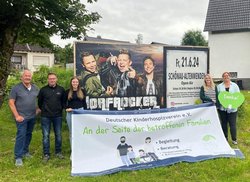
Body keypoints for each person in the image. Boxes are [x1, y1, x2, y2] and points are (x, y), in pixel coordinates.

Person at [9, 69, 39, 166]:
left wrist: (38, 109)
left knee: (28, 134)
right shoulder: (16, 88)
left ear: (31, 77)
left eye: (29, 76)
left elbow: (41, 99)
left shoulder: (35, 88)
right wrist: (16, 116)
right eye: (25, 75)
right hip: (21, 117)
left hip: (32, 116)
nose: (27, 77)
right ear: (22, 77)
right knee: (21, 135)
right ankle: (18, 157)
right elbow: (11, 102)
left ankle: (25, 152)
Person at [38, 72, 66, 162]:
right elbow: (39, 103)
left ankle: (58, 152)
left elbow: (63, 102)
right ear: (48, 80)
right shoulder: (43, 90)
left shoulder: (61, 90)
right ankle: (46, 154)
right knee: (46, 135)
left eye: (53, 78)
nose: (52, 80)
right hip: (45, 116)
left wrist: (60, 109)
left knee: (58, 135)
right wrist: (44, 110)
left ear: (56, 79)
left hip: (57, 116)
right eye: (50, 79)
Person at [65, 76, 87, 158]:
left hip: (80, 113)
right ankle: (73, 152)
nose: (75, 83)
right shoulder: (67, 92)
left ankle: (81, 150)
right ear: (71, 83)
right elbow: (63, 103)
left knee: (81, 132)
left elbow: (85, 103)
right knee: (72, 133)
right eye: (73, 82)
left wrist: (85, 113)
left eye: (76, 82)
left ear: (78, 83)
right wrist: (67, 109)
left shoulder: (83, 91)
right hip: (71, 113)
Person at [217, 72, 240, 145]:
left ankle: (234, 139)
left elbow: (238, 96)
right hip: (222, 109)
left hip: (232, 109)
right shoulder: (219, 86)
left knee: (232, 124)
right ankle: (225, 138)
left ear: (229, 77)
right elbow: (218, 96)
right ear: (222, 78)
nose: (226, 77)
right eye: (224, 76)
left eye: (227, 76)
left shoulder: (235, 85)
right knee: (224, 123)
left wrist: (233, 104)